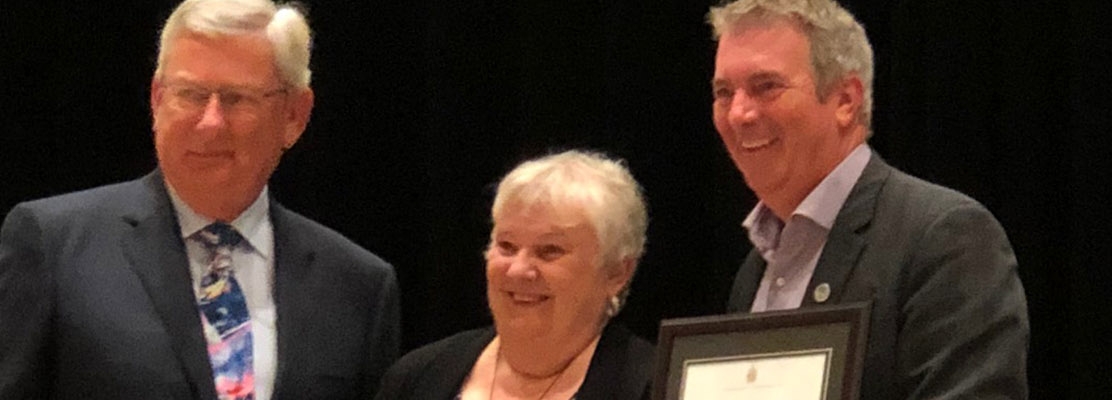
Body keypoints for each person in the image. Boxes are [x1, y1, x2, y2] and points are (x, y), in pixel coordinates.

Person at [0, 0, 400, 399]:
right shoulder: (55, 248)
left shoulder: (356, 286)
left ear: (294, 116)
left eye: (237, 99)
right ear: (156, 99)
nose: (210, 122)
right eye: (190, 95)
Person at [706, 0, 1029, 398]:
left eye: (766, 86)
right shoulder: (752, 273)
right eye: (723, 92)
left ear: (845, 100)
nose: (738, 113)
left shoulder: (945, 239)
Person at [374, 151, 653, 400]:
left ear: (617, 272)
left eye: (549, 250)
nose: (518, 269)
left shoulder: (658, 385)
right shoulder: (417, 377)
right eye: (506, 246)